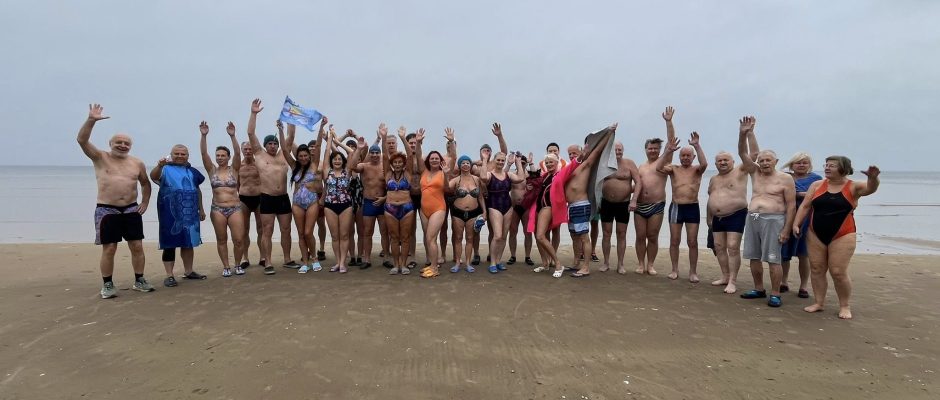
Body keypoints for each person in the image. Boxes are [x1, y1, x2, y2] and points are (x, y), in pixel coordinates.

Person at [77, 104, 154, 298]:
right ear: (110, 144)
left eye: (126, 143)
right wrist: (91, 120)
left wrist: (145, 202)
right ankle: (108, 284)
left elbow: (145, 183)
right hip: (107, 210)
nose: (122, 145)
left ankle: (139, 280)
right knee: (110, 248)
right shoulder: (100, 157)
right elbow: (82, 140)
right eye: (118, 142)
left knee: (137, 246)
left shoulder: (137, 163)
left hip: (131, 209)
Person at [794, 157, 879, 319]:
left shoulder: (853, 186)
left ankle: (845, 306)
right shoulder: (817, 185)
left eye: (832, 166)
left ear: (843, 168)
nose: (827, 168)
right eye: (826, 165)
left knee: (838, 272)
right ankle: (819, 303)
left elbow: (871, 189)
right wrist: (796, 223)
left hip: (843, 234)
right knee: (817, 268)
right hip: (815, 233)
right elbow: (805, 205)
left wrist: (873, 178)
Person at [736, 116, 796, 308]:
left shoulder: (785, 179)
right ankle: (759, 288)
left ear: (776, 161)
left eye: (768, 160)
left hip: (774, 219)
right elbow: (742, 153)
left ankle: (775, 293)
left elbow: (791, 205)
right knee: (753, 256)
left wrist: (786, 229)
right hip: (753, 217)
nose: (764, 163)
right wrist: (743, 134)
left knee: (772, 258)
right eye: (761, 160)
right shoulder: (755, 172)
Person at [705, 118, 759, 294]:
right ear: (715, 164)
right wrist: (709, 217)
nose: (723, 163)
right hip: (717, 218)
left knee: (733, 246)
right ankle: (725, 276)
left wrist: (748, 133)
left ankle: (733, 281)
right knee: (719, 247)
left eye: (726, 160)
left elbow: (754, 154)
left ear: (733, 162)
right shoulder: (714, 179)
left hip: (736, 214)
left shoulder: (740, 171)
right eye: (719, 161)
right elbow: (711, 198)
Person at [245, 99, 295, 275]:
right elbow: (251, 133)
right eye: (270, 144)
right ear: (265, 146)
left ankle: (287, 259)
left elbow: (290, 137)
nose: (273, 146)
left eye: (275, 144)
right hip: (266, 197)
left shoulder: (283, 155)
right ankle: (267, 261)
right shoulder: (259, 155)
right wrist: (254, 113)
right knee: (267, 231)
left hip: (283, 198)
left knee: (286, 230)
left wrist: (290, 117)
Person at [561, 125, 617, 277]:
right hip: (571, 207)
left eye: (574, 153)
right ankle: (576, 263)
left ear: (582, 152)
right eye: (569, 153)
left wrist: (609, 133)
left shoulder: (585, 165)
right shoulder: (569, 169)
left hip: (581, 205)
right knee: (574, 236)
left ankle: (585, 267)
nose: (571, 155)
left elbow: (597, 151)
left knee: (584, 237)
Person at [151, 144, 207, 287]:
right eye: (177, 153)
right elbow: (153, 177)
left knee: (188, 242)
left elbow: (197, 190)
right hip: (169, 213)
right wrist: (159, 165)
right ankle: (169, 275)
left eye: (183, 154)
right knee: (169, 243)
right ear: (171, 154)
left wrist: (201, 209)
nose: (180, 156)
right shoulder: (165, 169)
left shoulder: (193, 171)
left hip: (191, 212)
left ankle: (189, 271)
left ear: (188, 156)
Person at [656, 132, 708, 282]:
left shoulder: (697, 170)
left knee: (692, 241)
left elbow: (705, 164)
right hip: (676, 208)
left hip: (692, 208)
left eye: (688, 155)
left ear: (693, 157)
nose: (685, 158)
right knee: (674, 240)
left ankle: (693, 272)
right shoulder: (674, 169)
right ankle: (674, 269)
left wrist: (697, 145)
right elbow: (658, 167)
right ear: (679, 157)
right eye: (683, 155)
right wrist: (668, 151)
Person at [634, 107, 678, 275]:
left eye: (655, 148)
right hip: (640, 206)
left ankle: (650, 264)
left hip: (656, 205)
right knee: (640, 236)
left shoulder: (663, 162)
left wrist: (669, 122)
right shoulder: (641, 166)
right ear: (645, 149)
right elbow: (636, 185)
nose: (652, 150)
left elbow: (671, 143)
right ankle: (640, 264)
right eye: (650, 148)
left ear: (660, 150)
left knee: (652, 236)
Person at [199, 121, 246, 277]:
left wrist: (233, 136)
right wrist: (203, 136)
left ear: (228, 157)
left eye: (222, 155)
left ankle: (237, 264)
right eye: (217, 156)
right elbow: (204, 154)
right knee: (221, 239)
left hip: (235, 208)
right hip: (217, 209)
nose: (219, 158)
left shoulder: (235, 169)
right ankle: (226, 266)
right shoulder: (212, 170)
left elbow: (238, 154)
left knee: (238, 239)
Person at [279, 119, 327, 274]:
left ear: (309, 155)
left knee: (308, 232)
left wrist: (321, 126)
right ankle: (305, 262)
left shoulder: (314, 164)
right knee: (300, 233)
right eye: (300, 156)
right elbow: (285, 150)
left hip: (312, 201)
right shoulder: (294, 166)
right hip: (297, 203)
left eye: (305, 155)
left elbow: (318, 146)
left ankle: (314, 258)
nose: (303, 158)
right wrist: (280, 130)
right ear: (298, 156)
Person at [322, 128, 366, 273]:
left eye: (339, 159)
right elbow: (327, 151)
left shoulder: (347, 171)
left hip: (346, 206)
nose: (337, 161)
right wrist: (329, 139)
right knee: (335, 236)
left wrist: (340, 143)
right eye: (335, 159)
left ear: (343, 161)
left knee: (345, 235)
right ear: (331, 161)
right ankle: (337, 262)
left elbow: (352, 153)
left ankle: (342, 263)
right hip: (330, 206)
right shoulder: (327, 171)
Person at [414, 128, 456, 278]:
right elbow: (418, 155)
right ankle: (431, 264)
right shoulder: (423, 170)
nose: (434, 160)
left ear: (440, 160)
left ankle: (434, 268)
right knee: (428, 238)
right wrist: (418, 142)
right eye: (432, 158)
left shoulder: (443, 172)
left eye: (437, 158)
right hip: (424, 209)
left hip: (438, 208)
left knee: (431, 238)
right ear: (428, 160)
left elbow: (447, 188)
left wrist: (451, 141)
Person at [780, 152, 822, 298]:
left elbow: (819, 196)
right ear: (792, 165)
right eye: (798, 162)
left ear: (809, 165)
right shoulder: (785, 177)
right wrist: (802, 194)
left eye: (805, 163)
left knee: (804, 254)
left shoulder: (816, 179)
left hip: (807, 219)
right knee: (783, 252)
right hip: (786, 217)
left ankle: (803, 286)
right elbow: (780, 194)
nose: (801, 165)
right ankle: (783, 281)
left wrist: (799, 194)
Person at [598, 141, 642, 274]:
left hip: (623, 203)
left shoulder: (629, 163)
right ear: (611, 151)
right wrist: (596, 201)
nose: (618, 152)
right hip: (606, 203)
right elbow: (596, 182)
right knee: (606, 233)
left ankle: (620, 264)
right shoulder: (604, 163)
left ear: (623, 150)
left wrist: (634, 200)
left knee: (621, 234)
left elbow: (638, 182)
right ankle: (606, 263)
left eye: (620, 150)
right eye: (615, 150)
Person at [353, 126, 391, 270]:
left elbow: (391, 186)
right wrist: (358, 149)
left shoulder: (385, 167)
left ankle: (386, 258)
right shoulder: (364, 166)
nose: (375, 155)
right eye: (372, 152)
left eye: (377, 153)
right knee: (367, 233)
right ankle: (367, 259)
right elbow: (352, 166)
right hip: (368, 202)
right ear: (369, 154)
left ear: (380, 154)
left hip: (382, 203)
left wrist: (384, 137)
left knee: (384, 233)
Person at [383, 138, 417, 275]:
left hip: (406, 208)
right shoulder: (388, 174)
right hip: (390, 209)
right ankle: (396, 264)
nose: (397, 164)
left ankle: (403, 264)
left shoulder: (407, 174)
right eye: (395, 162)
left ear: (403, 164)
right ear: (392, 164)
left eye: (400, 162)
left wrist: (403, 138)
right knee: (394, 237)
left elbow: (410, 156)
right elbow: (385, 157)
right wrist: (383, 137)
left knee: (405, 237)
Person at [450, 155, 486, 273]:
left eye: (467, 163)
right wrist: (445, 173)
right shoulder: (456, 180)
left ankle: (468, 263)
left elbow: (480, 197)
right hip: (457, 212)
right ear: (459, 165)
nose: (465, 165)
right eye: (463, 163)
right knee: (458, 238)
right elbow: (445, 187)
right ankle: (457, 262)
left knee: (470, 238)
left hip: (473, 212)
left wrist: (484, 212)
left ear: (471, 165)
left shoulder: (476, 179)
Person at [532, 153, 563, 277]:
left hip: (548, 207)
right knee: (538, 235)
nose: (549, 164)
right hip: (539, 207)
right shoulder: (545, 175)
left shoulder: (559, 175)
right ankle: (545, 263)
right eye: (547, 162)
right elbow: (534, 178)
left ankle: (558, 264)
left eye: (551, 162)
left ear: (557, 163)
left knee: (540, 236)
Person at [236, 140, 264, 270]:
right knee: (244, 229)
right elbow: (237, 184)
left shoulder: (259, 164)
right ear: (242, 150)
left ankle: (263, 257)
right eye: (245, 149)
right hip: (244, 199)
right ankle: (245, 258)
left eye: (250, 149)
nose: (248, 151)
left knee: (261, 229)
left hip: (259, 198)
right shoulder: (238, 165)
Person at [507, 152, 537, 267]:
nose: (522, 164)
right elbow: (503, 178)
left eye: (524, 163)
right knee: (512, 232)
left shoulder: (529, 175)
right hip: (514, 206)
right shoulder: (512, 175)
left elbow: (537, 177)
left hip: (526, 207)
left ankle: (527, 256)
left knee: (527, 232)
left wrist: (531, 162)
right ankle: (513, 256)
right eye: (520, 162)